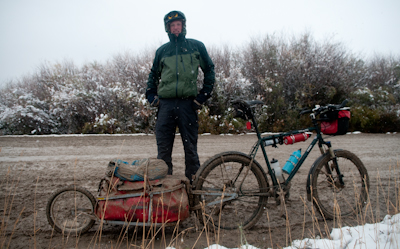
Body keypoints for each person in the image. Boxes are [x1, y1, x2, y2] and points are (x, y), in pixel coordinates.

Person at [146, 10, 215, 182]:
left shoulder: (196, 46)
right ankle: (163, 189)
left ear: (183, 26)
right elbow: (153, 75)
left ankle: (194, 188)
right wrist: (151, 95)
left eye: (178, 24)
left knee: (190, 148)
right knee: (163, 150)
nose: (176, 28)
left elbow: (209, 70)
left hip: (187, 105)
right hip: (166, 105)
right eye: (172, 25)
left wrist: (202, 96)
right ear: (167, 28)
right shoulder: (162, 51)